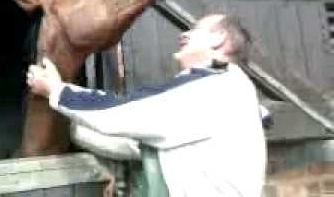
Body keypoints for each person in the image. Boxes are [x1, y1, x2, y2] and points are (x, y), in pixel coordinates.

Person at [27, 14, 267, 197]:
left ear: (218, 39)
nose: (183, 34)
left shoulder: (213, 90)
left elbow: (120, 111)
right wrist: (73, 127)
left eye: (195, 30)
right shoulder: (230, 89)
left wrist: (56, 89)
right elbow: (138, 144)